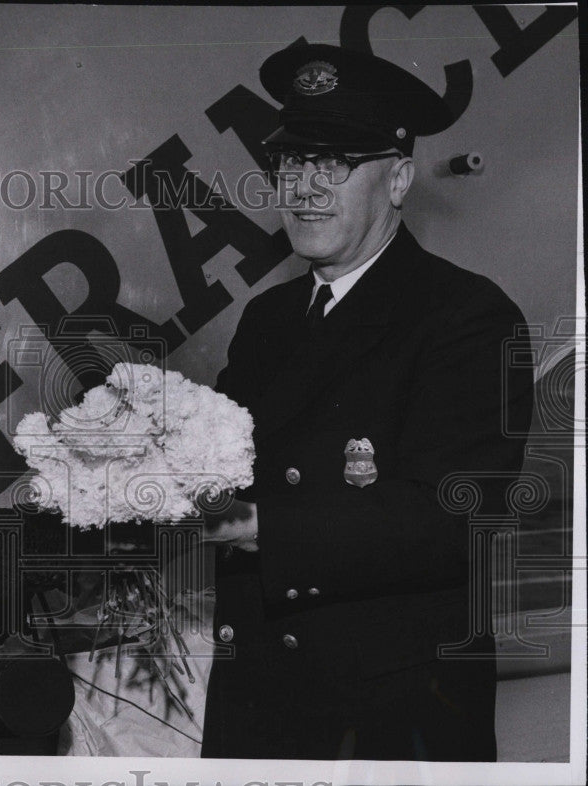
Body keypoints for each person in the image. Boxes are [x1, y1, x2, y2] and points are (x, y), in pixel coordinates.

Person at [201, 44, 533, 760]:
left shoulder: (467, 315)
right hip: (261, 704)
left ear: (399, 179)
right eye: (291, 163)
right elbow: (212, 460)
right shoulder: (270, 318)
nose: (305, 188)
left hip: (389, 719)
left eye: (336, 164)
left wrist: (256, 524)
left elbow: (458, 513)